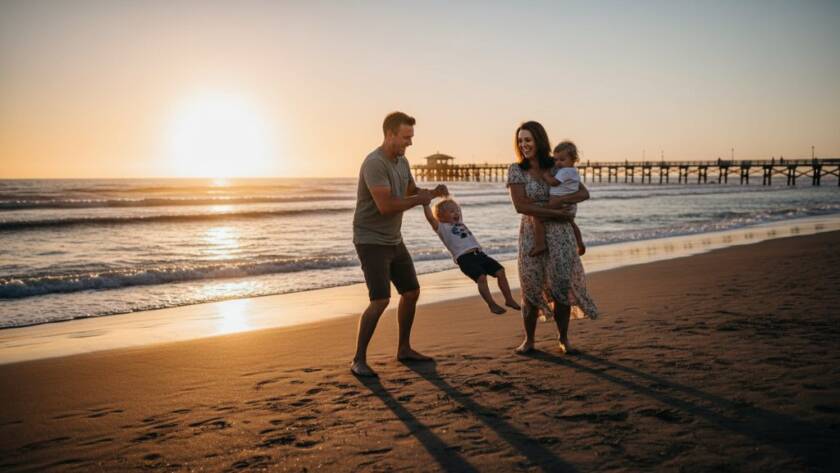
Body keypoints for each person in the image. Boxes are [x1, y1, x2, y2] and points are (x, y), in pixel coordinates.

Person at [350, 111, 447, 378]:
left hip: (394, 239)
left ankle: (404, 349)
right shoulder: (374, 163)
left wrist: (432, 193)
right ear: (390, 134)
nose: (410, 143)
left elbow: (409, 192)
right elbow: (386, 206)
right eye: (406, 137)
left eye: (411, 137)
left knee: (412, 292)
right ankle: (358, 359)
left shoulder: (402, 162)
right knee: (380, 299)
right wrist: (418, 200)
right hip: (371, 240)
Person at [506, 121, 598, 355]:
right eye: (520, 141)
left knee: (560, 285)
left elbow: (582, 192)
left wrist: (563, 205)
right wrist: (555, 211)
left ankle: (564, 339)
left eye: (528, 139)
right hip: (531, 234)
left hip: (560, 234)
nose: (524, 144)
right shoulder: (516, 169)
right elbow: (520, 206)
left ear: (539, 139)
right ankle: (529, 340)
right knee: (530, 284)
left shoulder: (556, 166)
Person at [422, 198, 521, 314]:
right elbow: (430, 218)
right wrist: (425, 204)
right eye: (451, 211)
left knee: (500, 271)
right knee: (481, 278)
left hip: (480, 255)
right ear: (441, 216)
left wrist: (446, 195)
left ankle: (509, 299)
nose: (456, 213)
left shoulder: (460, 222)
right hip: (465, 259)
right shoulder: (441, 228)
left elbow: (457, 207)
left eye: (456, 210)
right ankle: (492, 304)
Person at [530, 141, 586, 257]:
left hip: (557, 201)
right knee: (572, 223)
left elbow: (554, 182)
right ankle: (580, 244)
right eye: (556, 160)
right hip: (570, 204)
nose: (558, 163)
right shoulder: (574, 172)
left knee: (537, 216)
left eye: (562, 159)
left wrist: (546, 176)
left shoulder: (564, 171)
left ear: (573, 159)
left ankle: (540, 244)